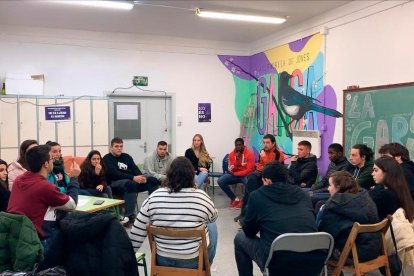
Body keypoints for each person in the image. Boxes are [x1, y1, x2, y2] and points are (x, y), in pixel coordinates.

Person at [130, 156, 218, 269]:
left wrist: (124, 258)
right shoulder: (201, 196)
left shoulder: (154, 197)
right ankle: (206, 266)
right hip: (194, 261)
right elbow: (214, 217)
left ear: (169, 174)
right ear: (192, 176)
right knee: (212, 224)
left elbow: (136, 234)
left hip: (162, 260)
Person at [234, 161, 317, 276]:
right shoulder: (303, 194)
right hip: (313, 261)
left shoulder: (257, 195)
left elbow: (249, 231)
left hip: (278, 263)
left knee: (240, 237)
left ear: (267, 181)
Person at [7, 145, 80, 253]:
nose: (54, 160)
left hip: (17, 236)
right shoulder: (44, 186)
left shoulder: (19, 180)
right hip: (38, 240)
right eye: (51, 158)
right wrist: (73, 178)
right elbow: (72, 204)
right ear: (46, 164)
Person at [317, 171, 380, 262]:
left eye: (330, 185)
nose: (328, 189)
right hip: (373, 248)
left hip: (354, 253)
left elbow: (323, 237)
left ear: (338, 187)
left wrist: (321, 211)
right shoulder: (364, 198)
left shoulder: (334, 207)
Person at [103, 137, 159, 227]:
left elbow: (135, 169)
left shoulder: (126, 157)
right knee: (131, 184)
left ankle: (153, 211)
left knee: (153, 181)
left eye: (121, 146)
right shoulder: (107, 158)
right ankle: (129, 216)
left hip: (131, 182)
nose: (119, 148)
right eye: (116, 146)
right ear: (111, 147)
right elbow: (113, 174)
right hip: (115, 184)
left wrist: (141, 177)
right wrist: (133, 177)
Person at [235, 134, 285, 222]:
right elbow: (260, 165)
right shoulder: (263, 151)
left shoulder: (278, 153)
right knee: (249, 184)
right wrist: (261, 166)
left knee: (251, 185)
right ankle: (243, 214)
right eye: (264, 142)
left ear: (273, 143)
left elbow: (272, 168)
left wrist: (264, 159)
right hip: (262, 175)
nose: (265, 144)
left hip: (273, 178)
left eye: (268, 142)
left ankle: (248, 213)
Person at [369, 156, 414, 222]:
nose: (372, 174)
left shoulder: (384, 195)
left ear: (387, 172)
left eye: (376, 170)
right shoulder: (401, 190)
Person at [310, 143, 351, 207]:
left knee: (311, 197)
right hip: (325, 189)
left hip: (335, 193)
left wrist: (316, 191)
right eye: (328, 153)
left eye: (332, 153)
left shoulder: (346, 166)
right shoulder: (332, 163)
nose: (329, 156)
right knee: (303, 192)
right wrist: (313, 188)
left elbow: (337, 186)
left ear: (339, 154)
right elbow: (324, 180)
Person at [218, 138, 254, 208]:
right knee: (220, 180)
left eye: (240, 145)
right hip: (235, 175)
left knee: (248, 183)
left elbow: (249, 170)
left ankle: (244, 201)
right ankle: (235, 199)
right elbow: (231, 169)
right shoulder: (232, 154)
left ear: (243, 145)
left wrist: (236, 174)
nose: (238, 147)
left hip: (244, 175)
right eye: (236, 145)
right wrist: (236, 159)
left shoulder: (249, 154)